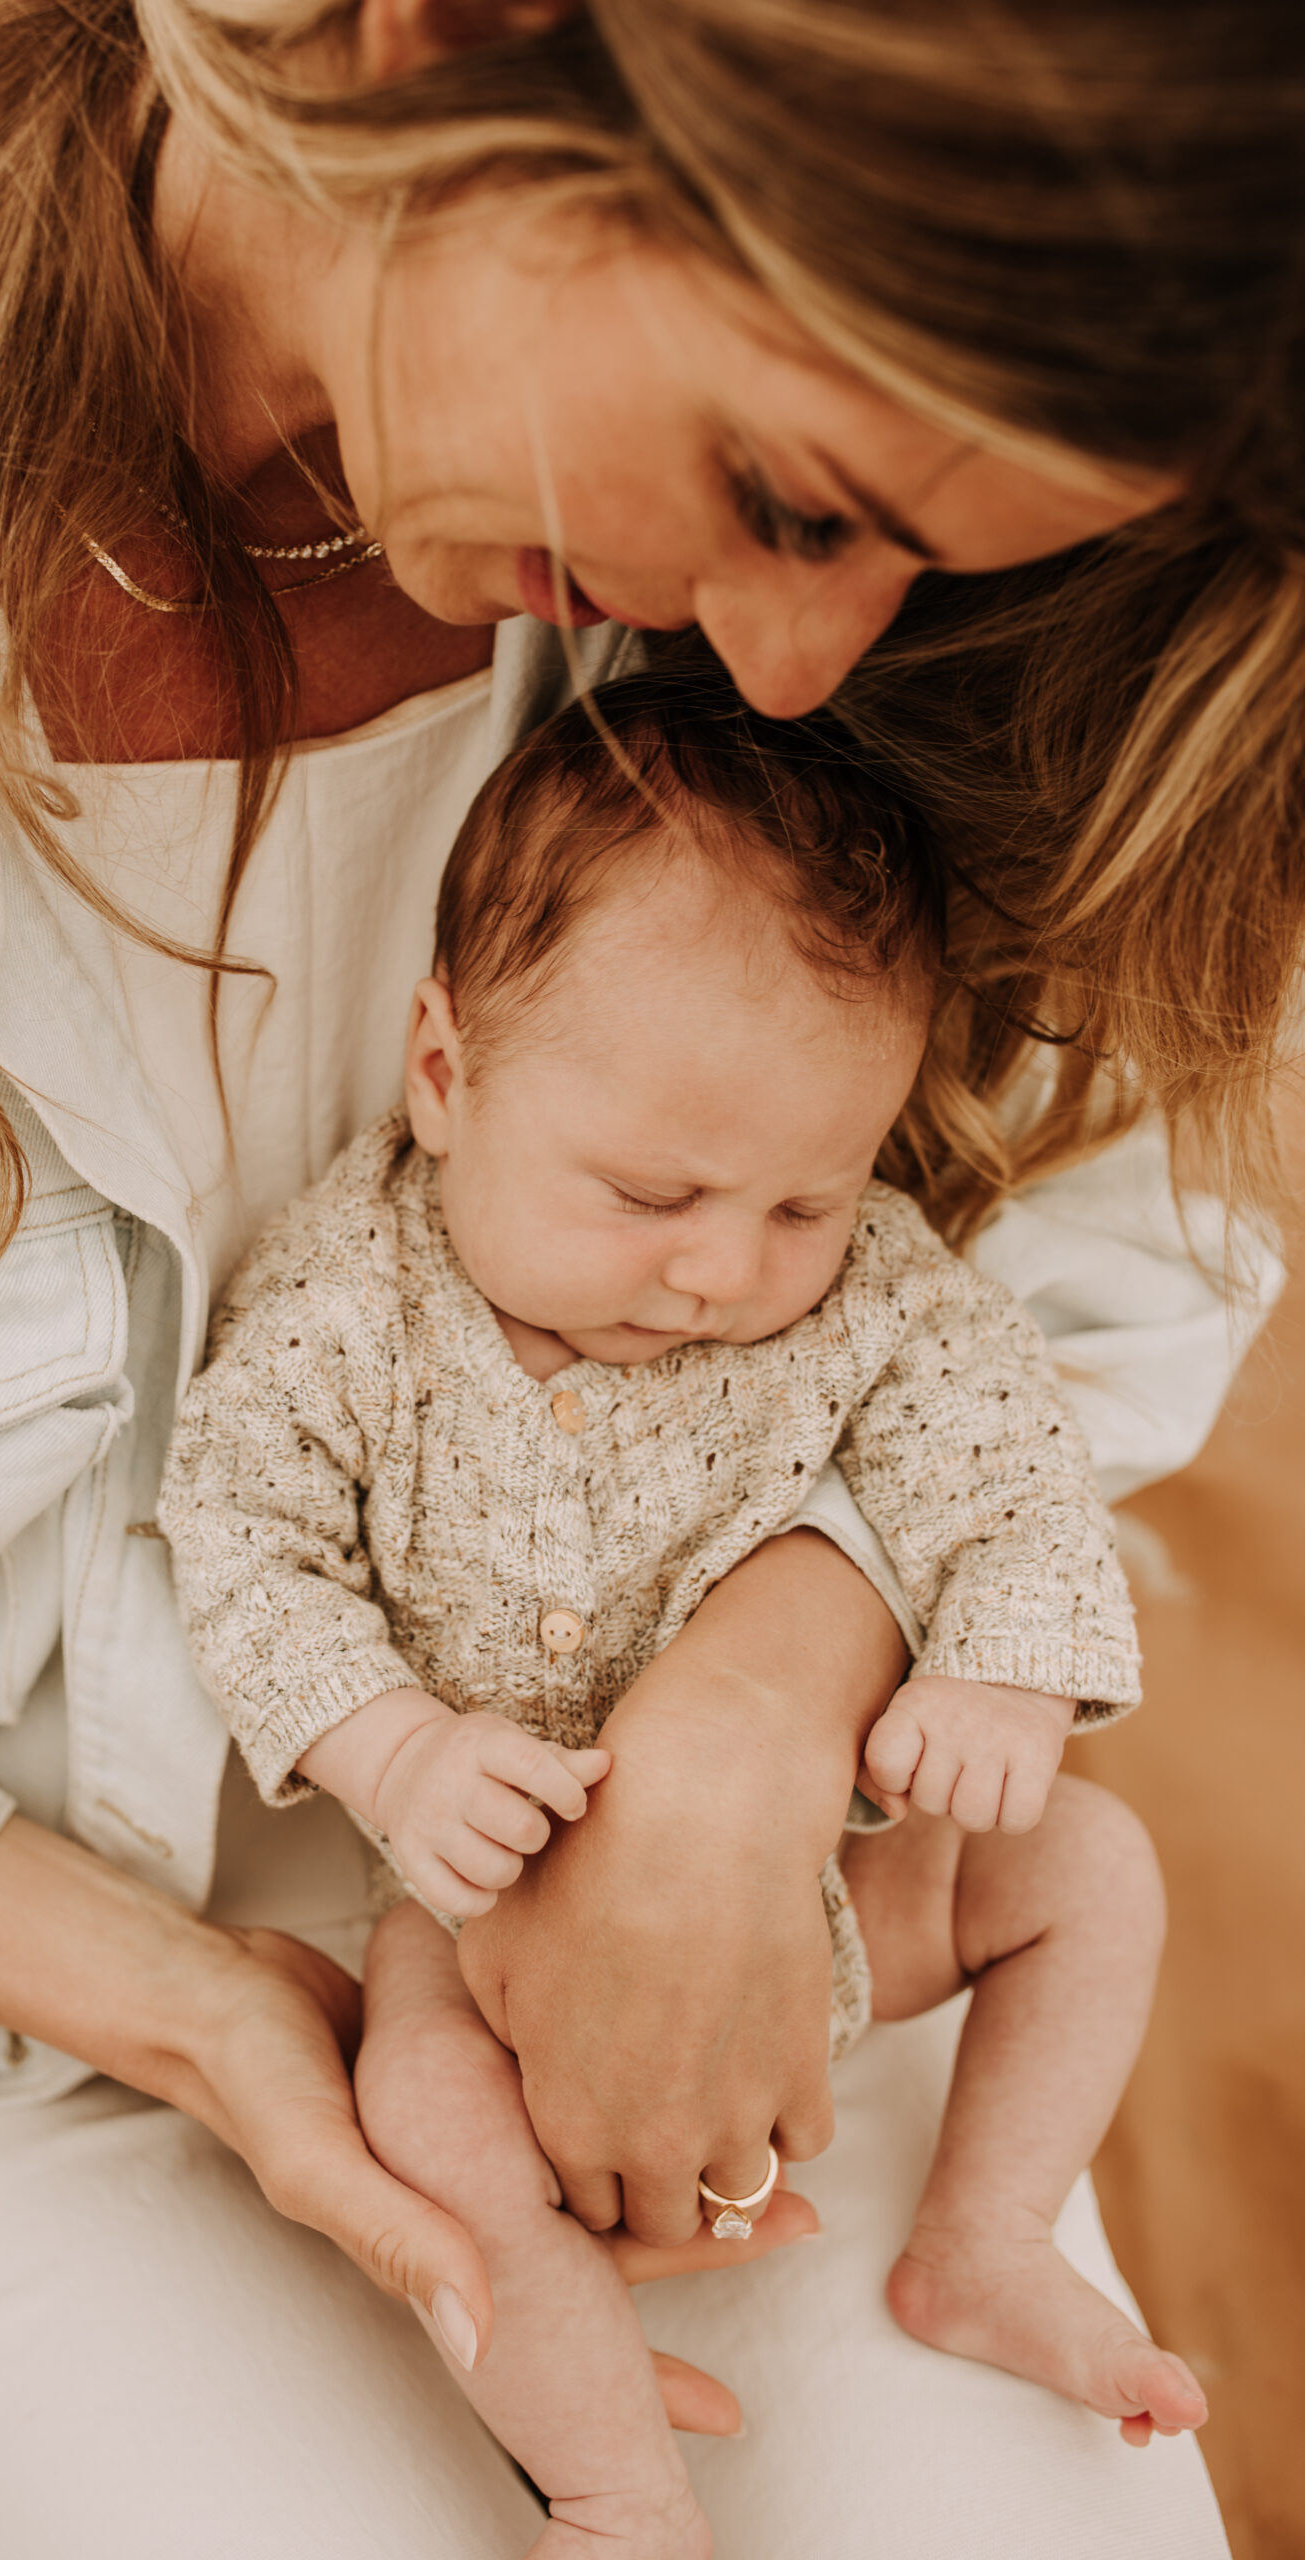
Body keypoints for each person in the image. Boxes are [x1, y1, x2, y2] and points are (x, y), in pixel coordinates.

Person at [0, 0, 1300, 2548]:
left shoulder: (909, 560)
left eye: (909, 543)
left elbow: (1094, 1241)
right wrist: (191, 2002)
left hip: (778, 1859)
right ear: (430, 34)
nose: (809, 669)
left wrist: (747, 1724)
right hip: (38, 1980)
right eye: (779, 488)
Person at [160, 678, 1205, 2555]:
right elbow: (240, 1537)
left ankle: (981, 2238)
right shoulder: (345, 1299)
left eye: (808, 1198)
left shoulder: (873, 1292)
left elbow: (1005, 1458)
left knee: (1096, 1873)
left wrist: (1003, 1666)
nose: (728, 1270)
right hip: (478, 1915)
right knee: (427, 2117)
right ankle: (617, 2485)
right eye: (653, 1191)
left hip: (827, 1880)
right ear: (445, 1072)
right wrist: (396, 1753)